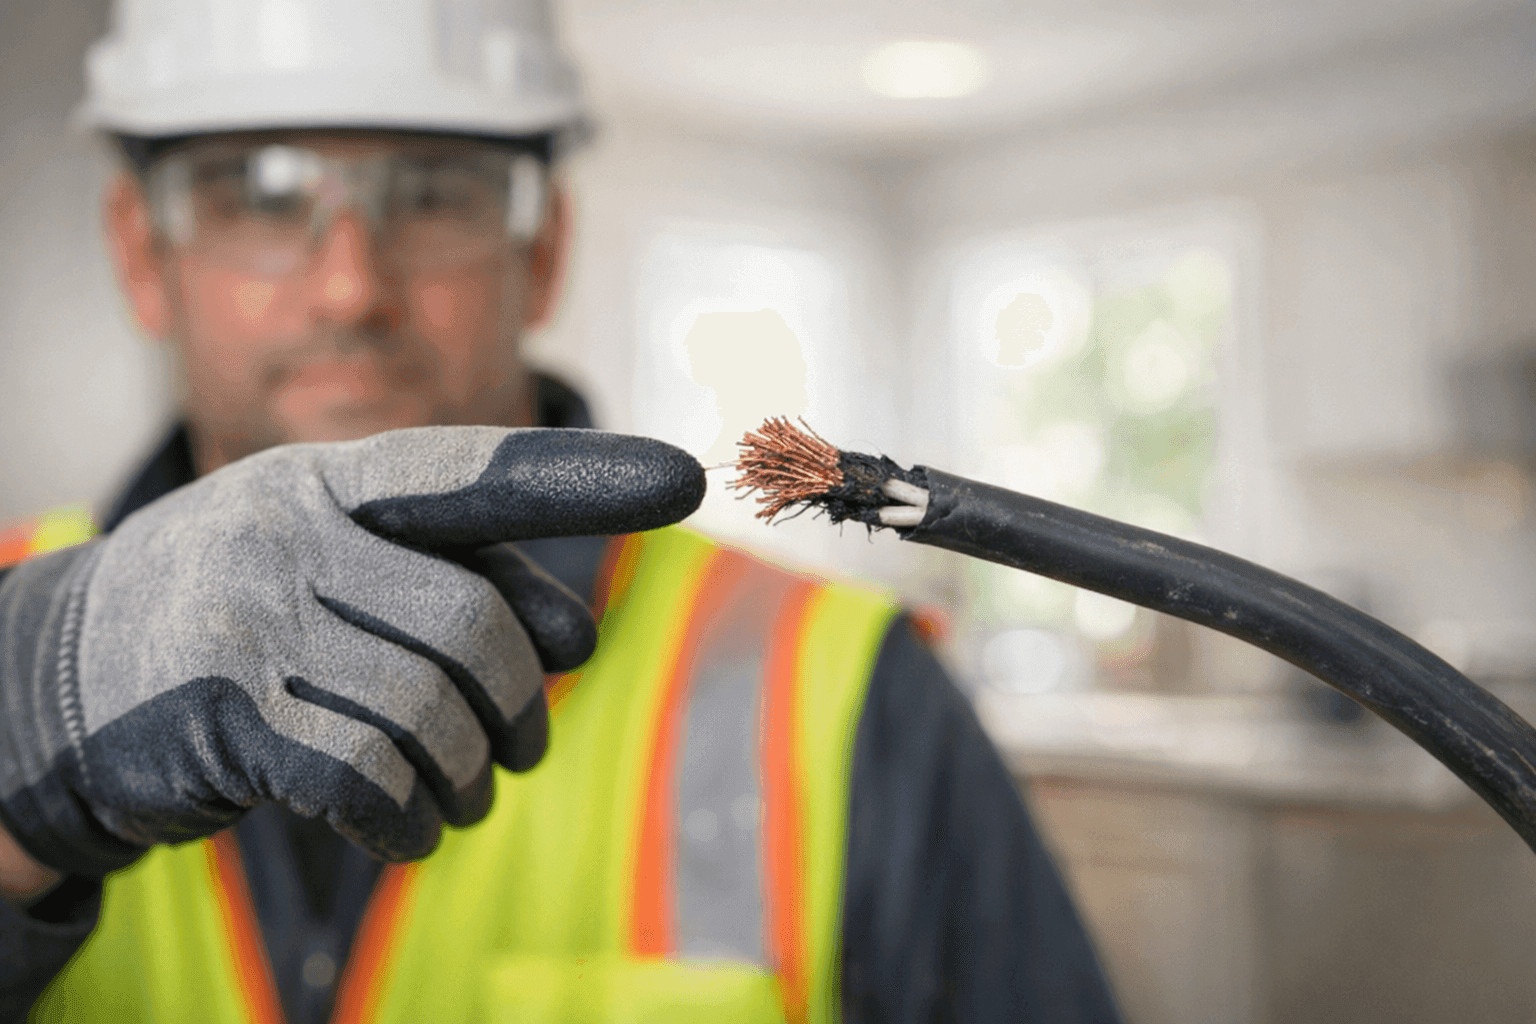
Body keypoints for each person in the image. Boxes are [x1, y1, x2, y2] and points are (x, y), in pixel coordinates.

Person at [0, 1, 1123, 1021]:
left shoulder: (837, 685)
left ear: (542, 251)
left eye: (434, 191)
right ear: (143, 253)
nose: (349, 284)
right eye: (259, 191)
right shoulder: (7, 625)